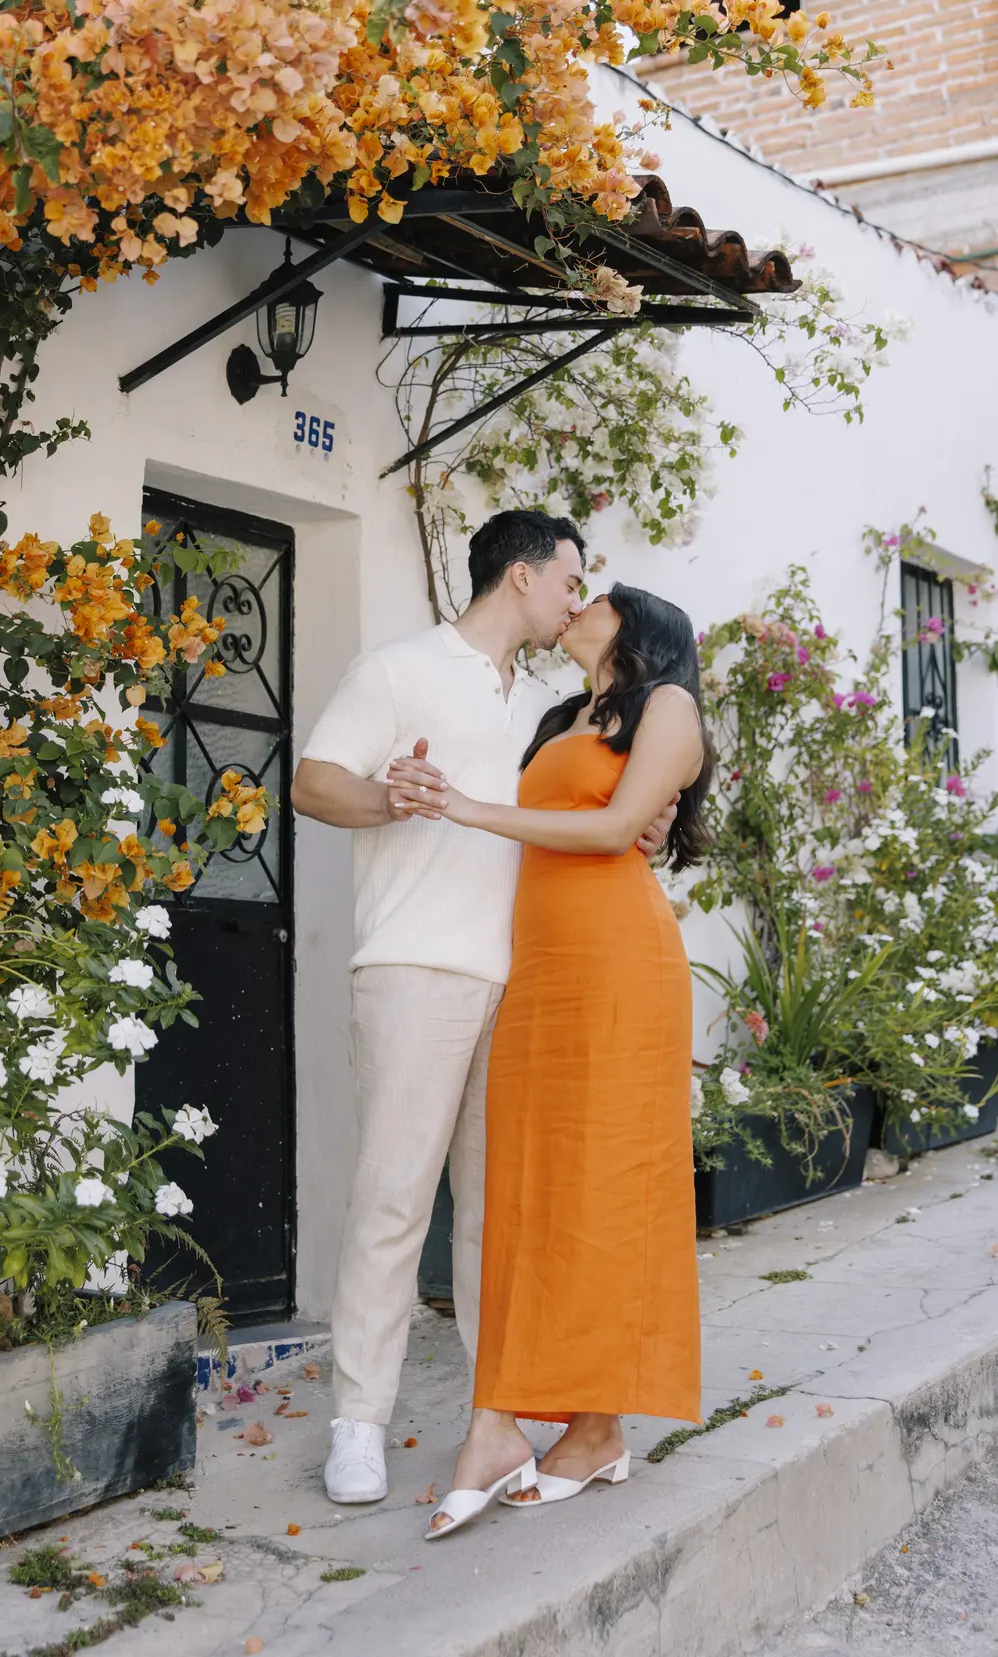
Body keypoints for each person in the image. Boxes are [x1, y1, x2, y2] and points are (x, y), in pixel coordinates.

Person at [291, 514, 676, 1505]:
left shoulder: (553, 706)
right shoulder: (398, 667)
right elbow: (311, 782)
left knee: (499, 1218)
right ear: (520, 575)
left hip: (529, 983)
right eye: (570, 578)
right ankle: (358, 1422)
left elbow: (597, 810)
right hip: (416, 963)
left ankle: (493, 1415)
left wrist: (649, 815)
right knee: (391, 1195)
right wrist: (394, 799)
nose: (577, 598)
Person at [387, 583, 711, 1541]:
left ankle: (543, 1424)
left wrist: (469, 810)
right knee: (533, 1187)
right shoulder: (563, 716)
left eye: (597, 596)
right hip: (545, 967)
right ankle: (574, 1424)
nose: (577, 603)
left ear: (642, 626)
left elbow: (618, 832)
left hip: (618, 965)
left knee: (605, 1188)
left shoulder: (670, 707)